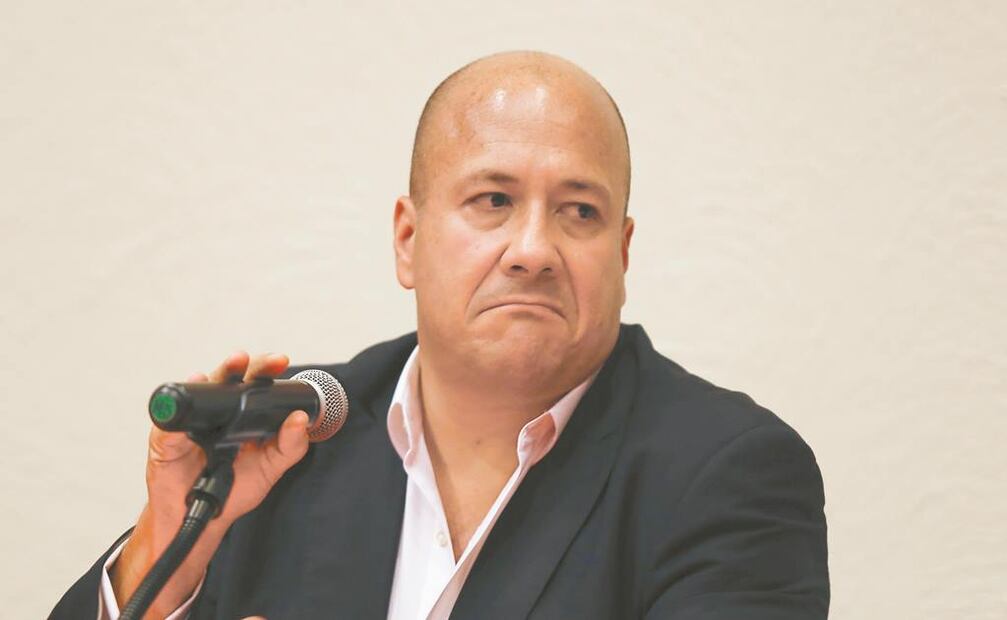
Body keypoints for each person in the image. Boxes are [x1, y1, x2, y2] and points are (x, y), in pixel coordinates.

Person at [51, 51, 829, 619]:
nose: (533, 250)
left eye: (579, 211)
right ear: (407, 239)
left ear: (621, 254)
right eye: (493, 200)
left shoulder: (728, 474)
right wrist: (173, 540)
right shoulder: (286, 440)